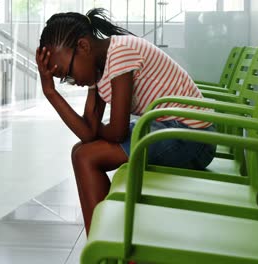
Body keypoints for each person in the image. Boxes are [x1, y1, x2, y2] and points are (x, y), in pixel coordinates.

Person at [35, 8, 216, 234]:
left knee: (85, 156)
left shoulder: (120, 54)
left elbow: (117, 131)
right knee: (80, 152)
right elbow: (88, 134)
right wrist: (50, 92)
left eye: (68, 73)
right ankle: (104, 244)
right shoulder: (98, 69)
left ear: (83, 46)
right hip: (169, 129)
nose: (73, 81)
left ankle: (105, 244)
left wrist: (95, 129)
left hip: (193, 137)